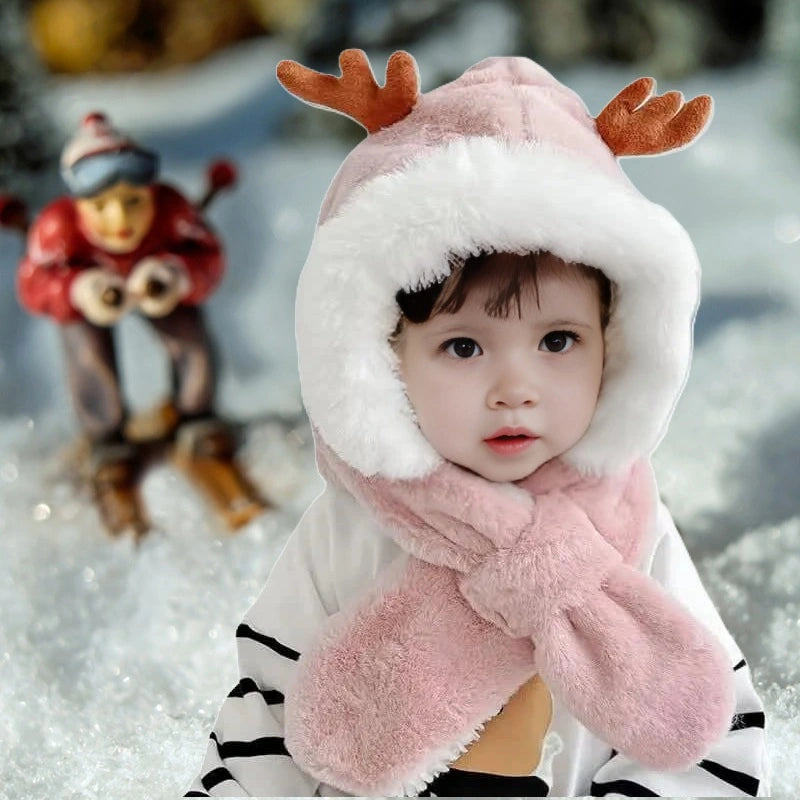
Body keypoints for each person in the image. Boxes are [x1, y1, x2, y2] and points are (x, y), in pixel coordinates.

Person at [186, 51, 770, 796]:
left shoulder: (628, 523)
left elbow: (706, 720)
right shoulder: (351, 530)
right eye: (463, 346)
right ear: (380, 357)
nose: (514, 390)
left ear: (616, 345)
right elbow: (264, 717)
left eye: (558, 342)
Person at [16, 112, 235, 528]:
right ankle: (105, 437)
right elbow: (32, 283)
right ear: (78, 203)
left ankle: (196, 415)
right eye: (100, 206)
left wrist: (175, 276)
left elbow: (209, 255)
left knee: (189, 338)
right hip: (88, 296)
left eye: (133, 201)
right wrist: (78, 290)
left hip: (157, 286)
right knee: (85, 353)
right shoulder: (56, 227)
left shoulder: (173, 210)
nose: (119, 220)